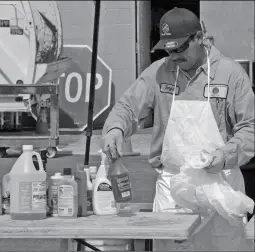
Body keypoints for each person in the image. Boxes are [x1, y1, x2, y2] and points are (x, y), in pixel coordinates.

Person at [101, 7, 255, 251]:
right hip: (173, 190)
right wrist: (116, 129)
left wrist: (226, 156)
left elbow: (250, 128)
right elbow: (128, 107)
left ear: (199, 37)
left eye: (180, 48)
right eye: (169, 50)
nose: (174, 56)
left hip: (220, 187)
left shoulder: (230, 74)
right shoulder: (159, 72)